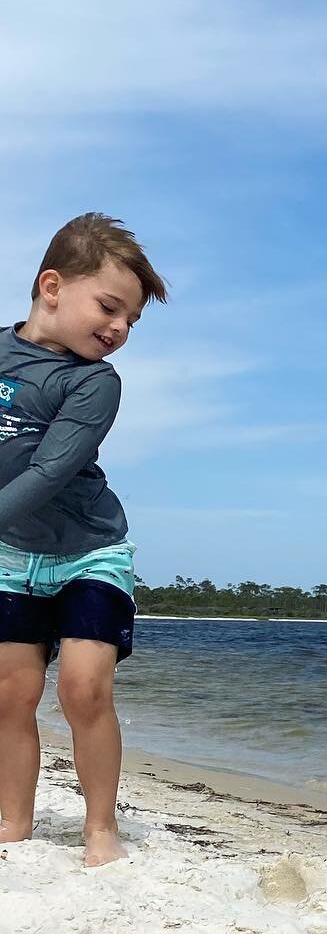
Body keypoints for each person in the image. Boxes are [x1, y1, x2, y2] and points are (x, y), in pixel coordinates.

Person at [0, 213, 167, 866]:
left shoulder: (95, 383)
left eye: (129, 320)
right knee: (10, 691)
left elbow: (49, 470)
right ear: (51, 286)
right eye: (109, 306)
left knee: (82, 687)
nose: (119, 328)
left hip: (90, 552)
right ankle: (14, 818)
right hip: (13, 555)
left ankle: (100, 830)